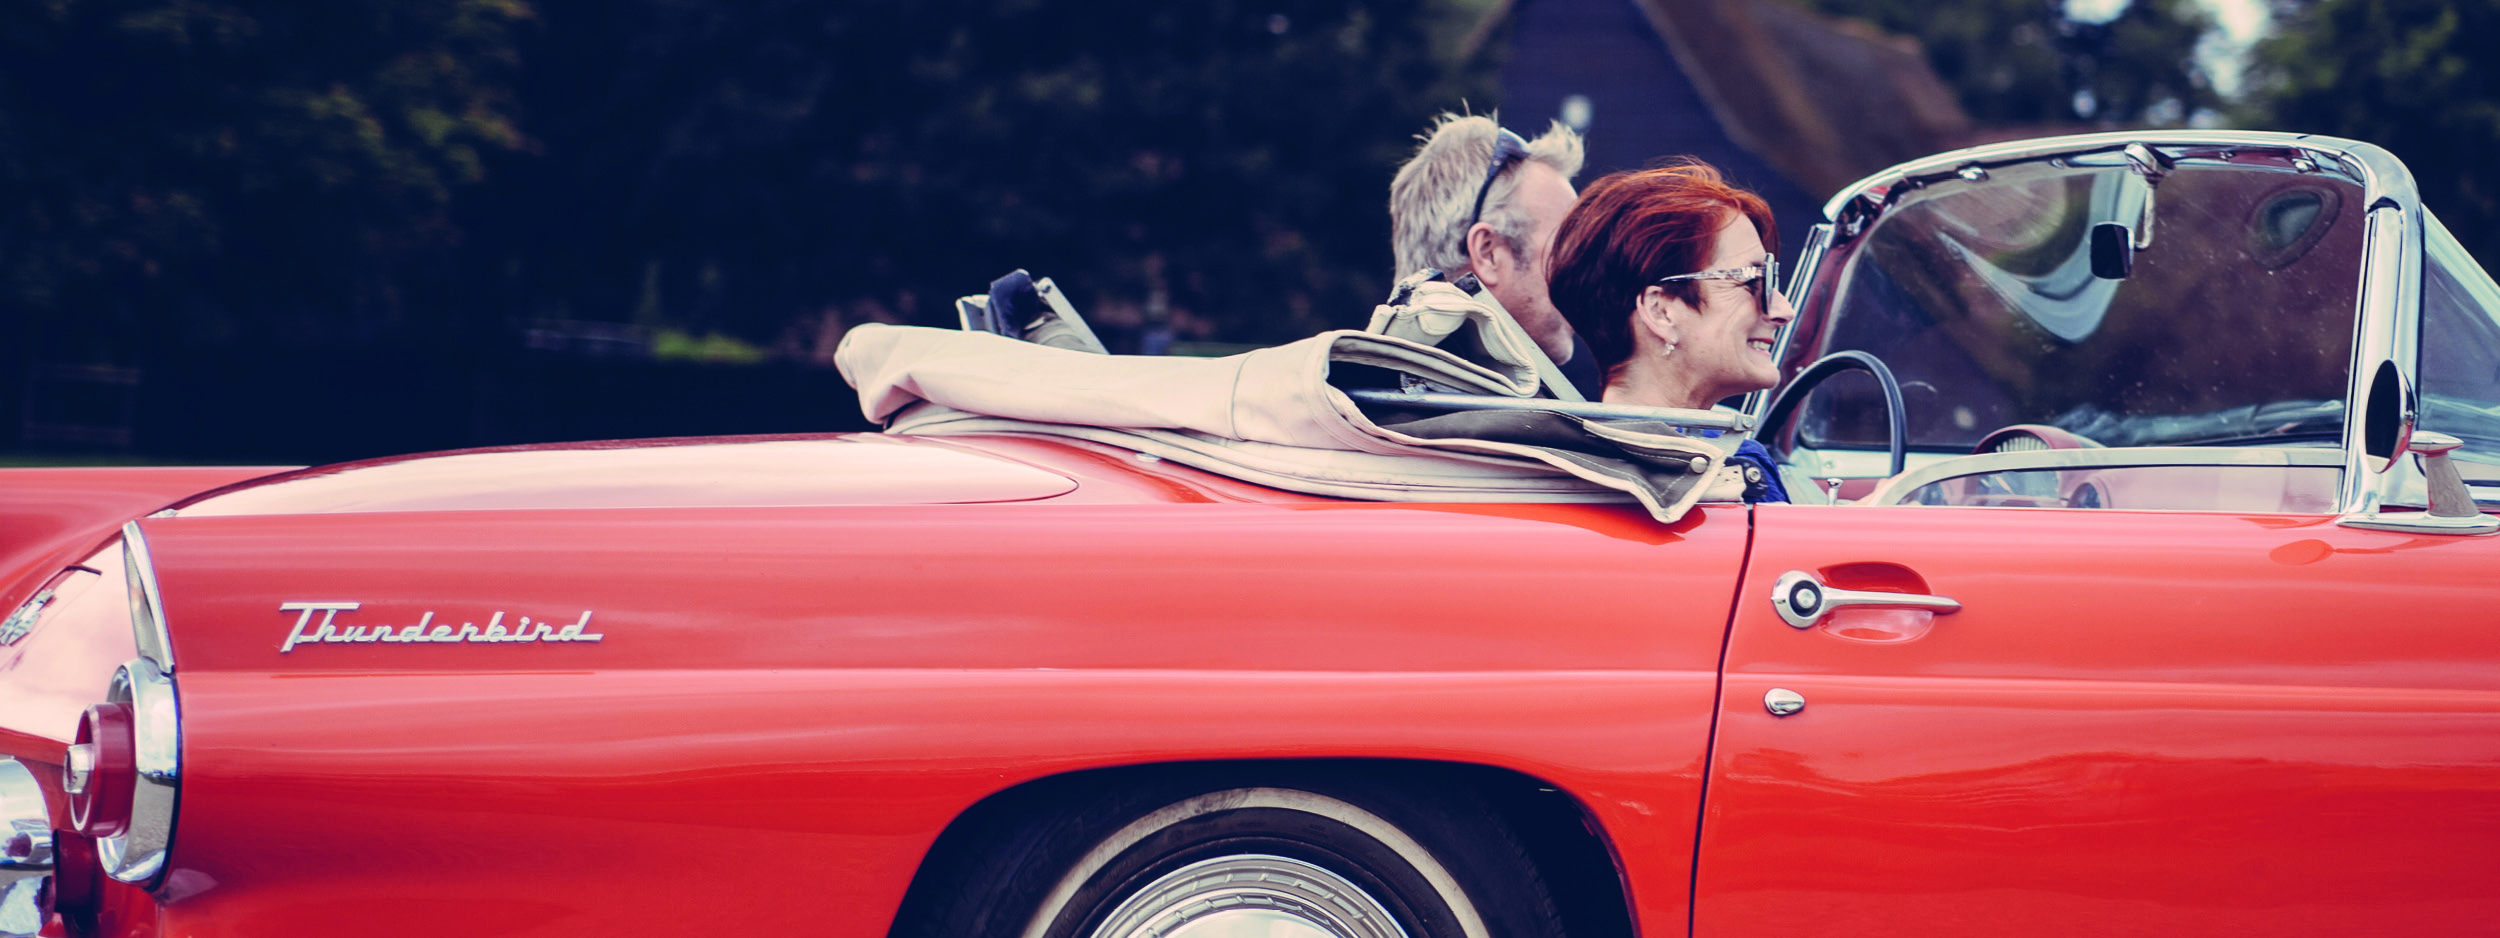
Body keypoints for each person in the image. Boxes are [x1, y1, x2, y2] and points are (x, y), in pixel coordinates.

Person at [1546, 161, 1796, 501]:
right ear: (1661, 312)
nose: (1783, 310)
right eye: (1753, 281)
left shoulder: (1563, 474)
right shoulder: (1730, 474)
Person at [1387, 114, 1601, 398]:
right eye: (1569, 247)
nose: (1590, 273)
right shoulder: (1508, 434)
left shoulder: (1353, 397)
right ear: (1488, 253)